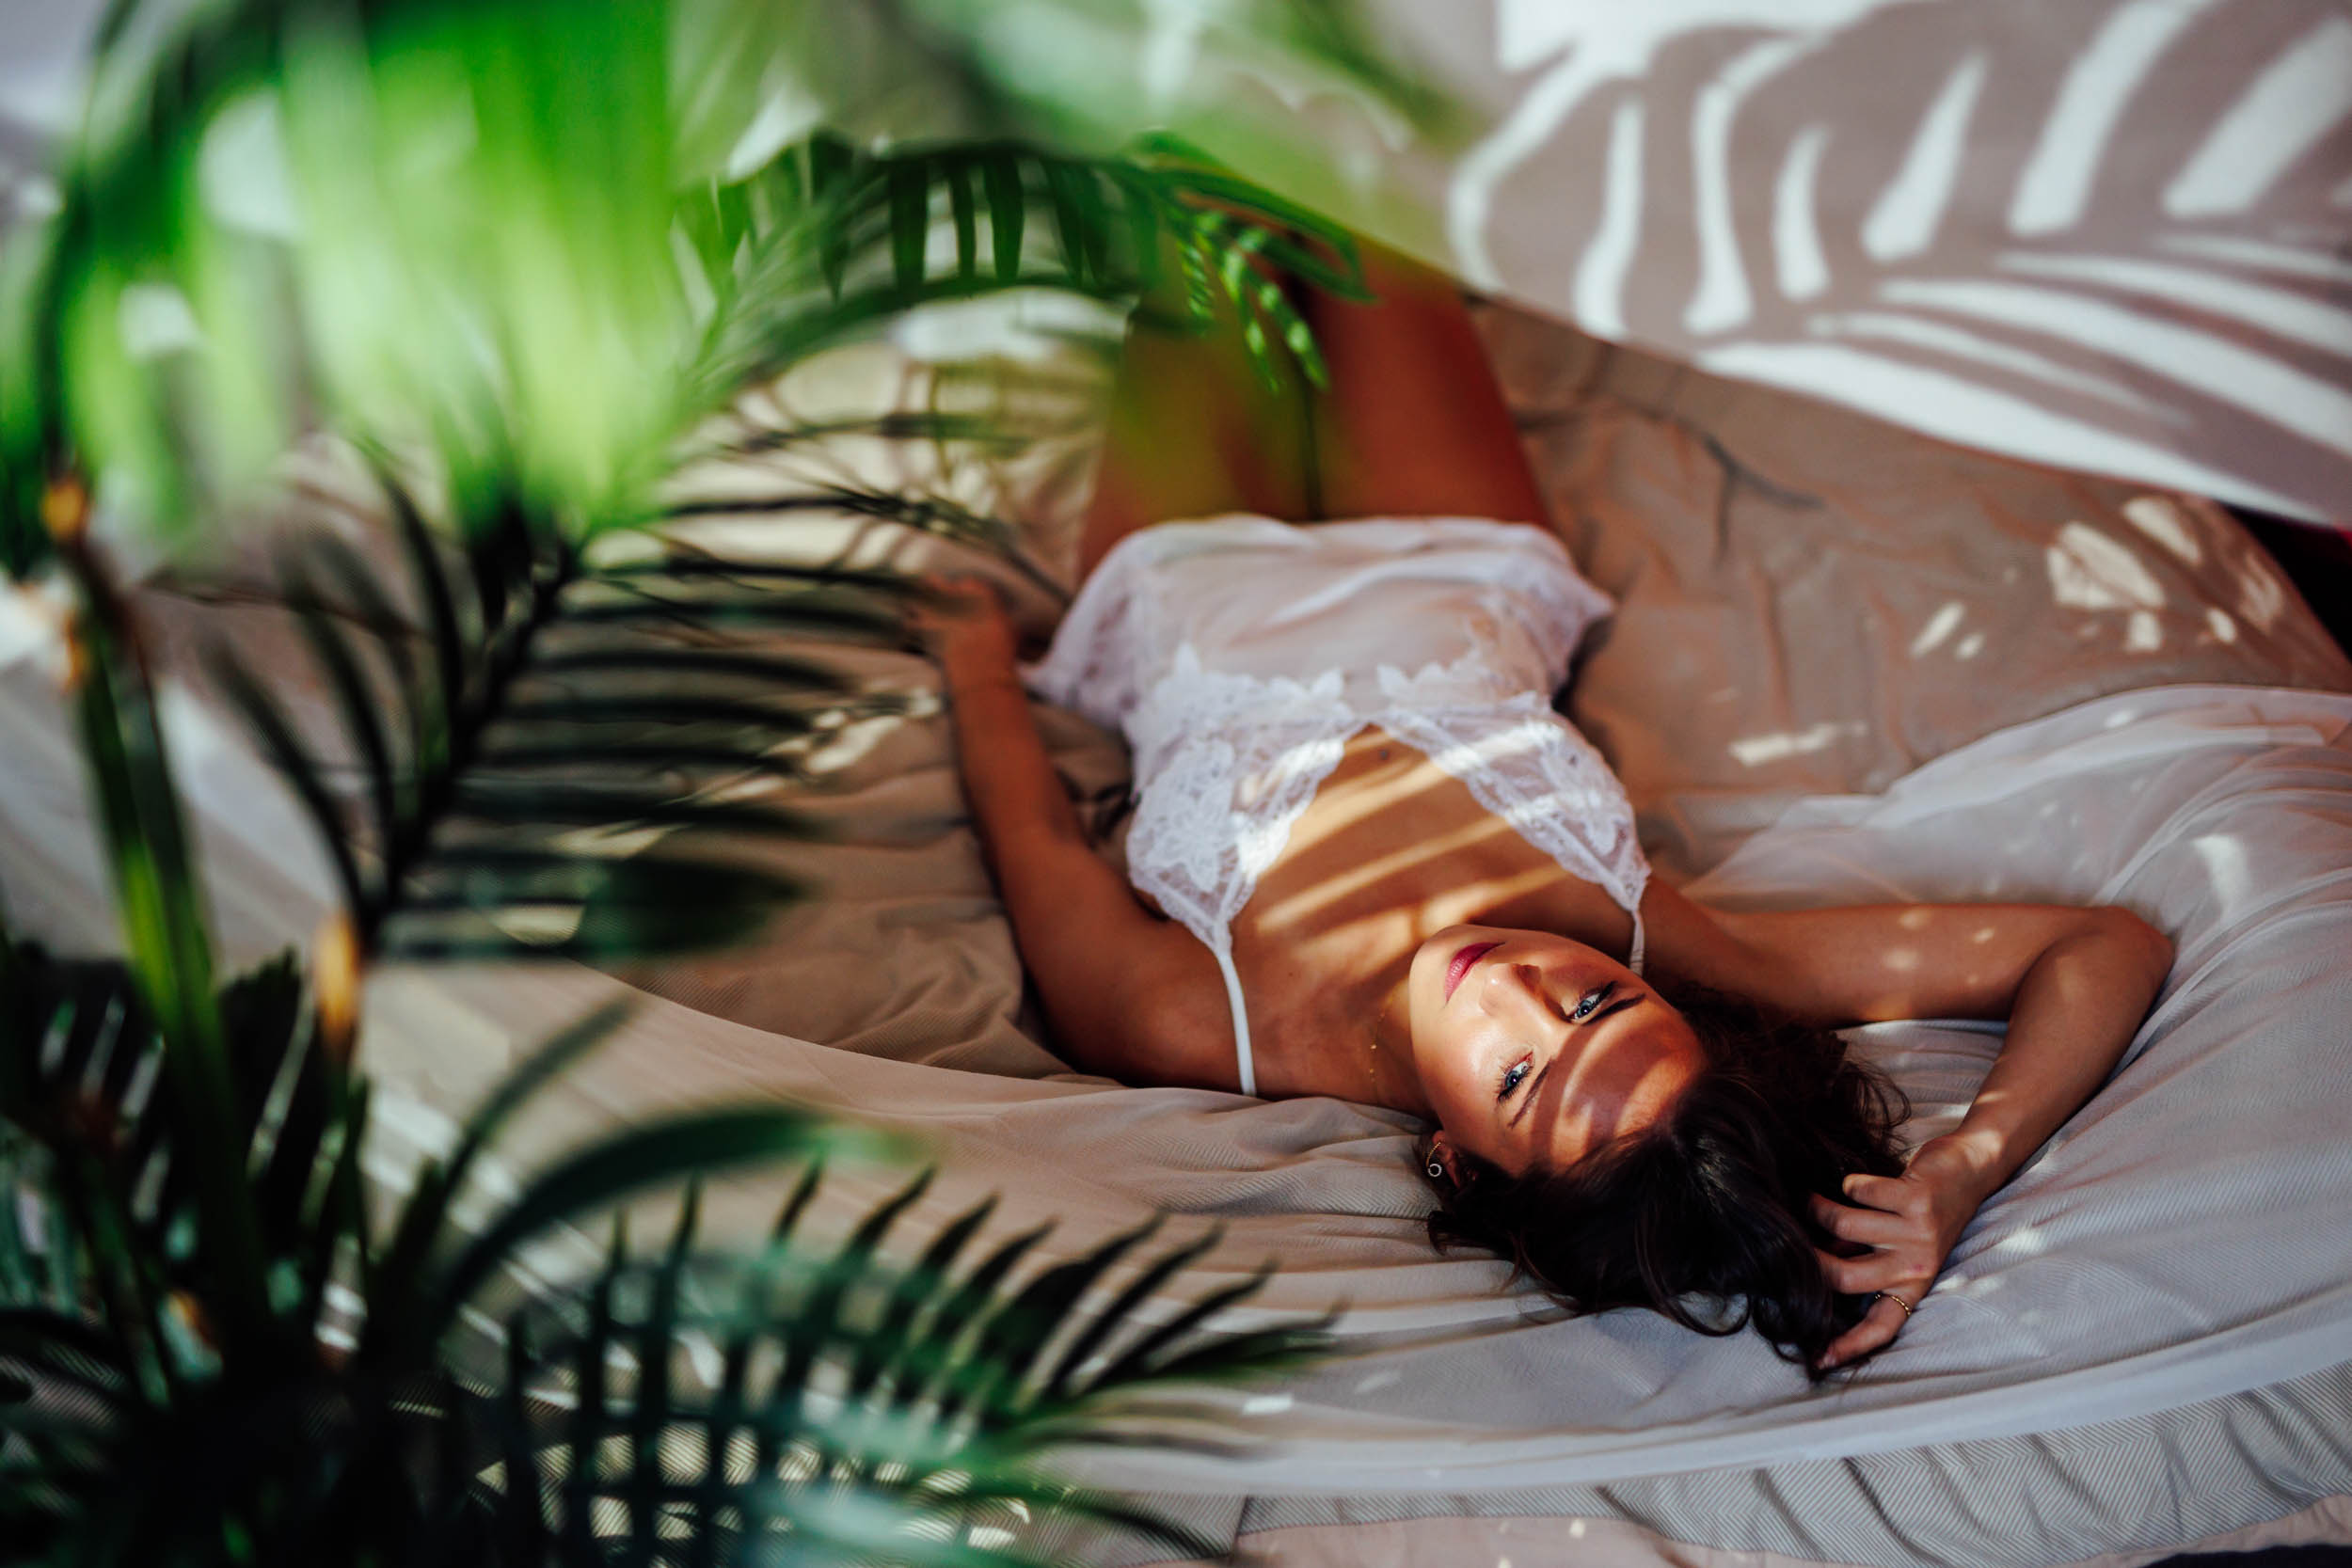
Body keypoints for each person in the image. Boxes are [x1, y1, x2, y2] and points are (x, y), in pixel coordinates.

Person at [914, 231, 2173, 1377]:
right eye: (1597, 998)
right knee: (1341, 192)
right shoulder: (1677, 947)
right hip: (1458, 552)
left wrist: (973, 658)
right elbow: (2101, 946)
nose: (1512, 982)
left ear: (1458, 1161)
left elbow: (1037, 845)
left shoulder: (1201, 1025)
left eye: (1517, 1075)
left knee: (1191, 196)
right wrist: (1965, 1164)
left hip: (1194, 586)